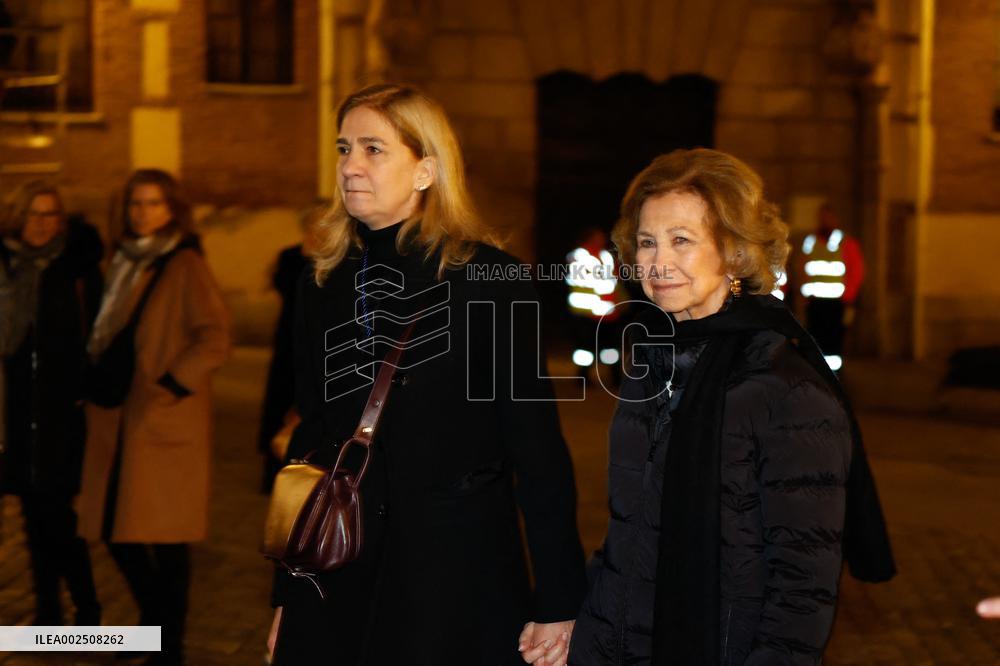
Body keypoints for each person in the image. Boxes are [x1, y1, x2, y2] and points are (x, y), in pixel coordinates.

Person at [267, 83, 586, 665]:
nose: (350, 166)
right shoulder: (322, 281)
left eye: (373, 149)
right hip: (341, 570)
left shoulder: (493, 282)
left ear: (425, 170)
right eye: (343, 149)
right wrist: (291, 592)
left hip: (457, 578)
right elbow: (312, 446)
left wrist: (560, 600)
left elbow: (538, 454)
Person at [554, 149, 894, 666]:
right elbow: (629, 531)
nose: (657, 262)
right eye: (647, 242)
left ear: (734, 252)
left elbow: (801, 588)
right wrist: (583, 627)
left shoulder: (784, 389)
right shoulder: (651, 365)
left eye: (681, 240)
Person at [76, 169, 230, 665]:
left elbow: (214, 337)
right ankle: (153, 628)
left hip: (162, 419)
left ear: (172, 210)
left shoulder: (184, 263)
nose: (141, 213)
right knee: (115, 530)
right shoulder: (122, 259)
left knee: (166, 542)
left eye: (152, 204)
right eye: (135, 204)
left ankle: (170, 646)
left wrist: (171, 383)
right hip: (120, 415)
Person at [0, 180, 102, 626]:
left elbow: (100, 334)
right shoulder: (5, 269)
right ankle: (47, 615)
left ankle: (86, 609)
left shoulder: (76, 270)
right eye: (33, 214)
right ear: (17, 217)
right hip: (14, 415)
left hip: (63, 414)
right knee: (32, 518)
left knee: (58, 519)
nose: (41, 224)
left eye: (50, 215)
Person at [257, 201, 324, 493]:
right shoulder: (289, 257)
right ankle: (273, 471)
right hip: (287, 339)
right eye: (314, 222)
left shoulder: (336, 258)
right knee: (280, 400)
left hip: (315, 340)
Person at [796, 203, 864, 371]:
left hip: (836, 303)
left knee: (834, 340)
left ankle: (834, 373)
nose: (824, 221)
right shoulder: (810, 242)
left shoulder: (846, 243)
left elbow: (856, 271)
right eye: (821, 217)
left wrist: (848, 297)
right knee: (814, 339)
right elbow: (802, 267)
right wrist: (803, 294)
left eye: (828, 217)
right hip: (814, 302)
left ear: (835, 219)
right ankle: (817, 371)